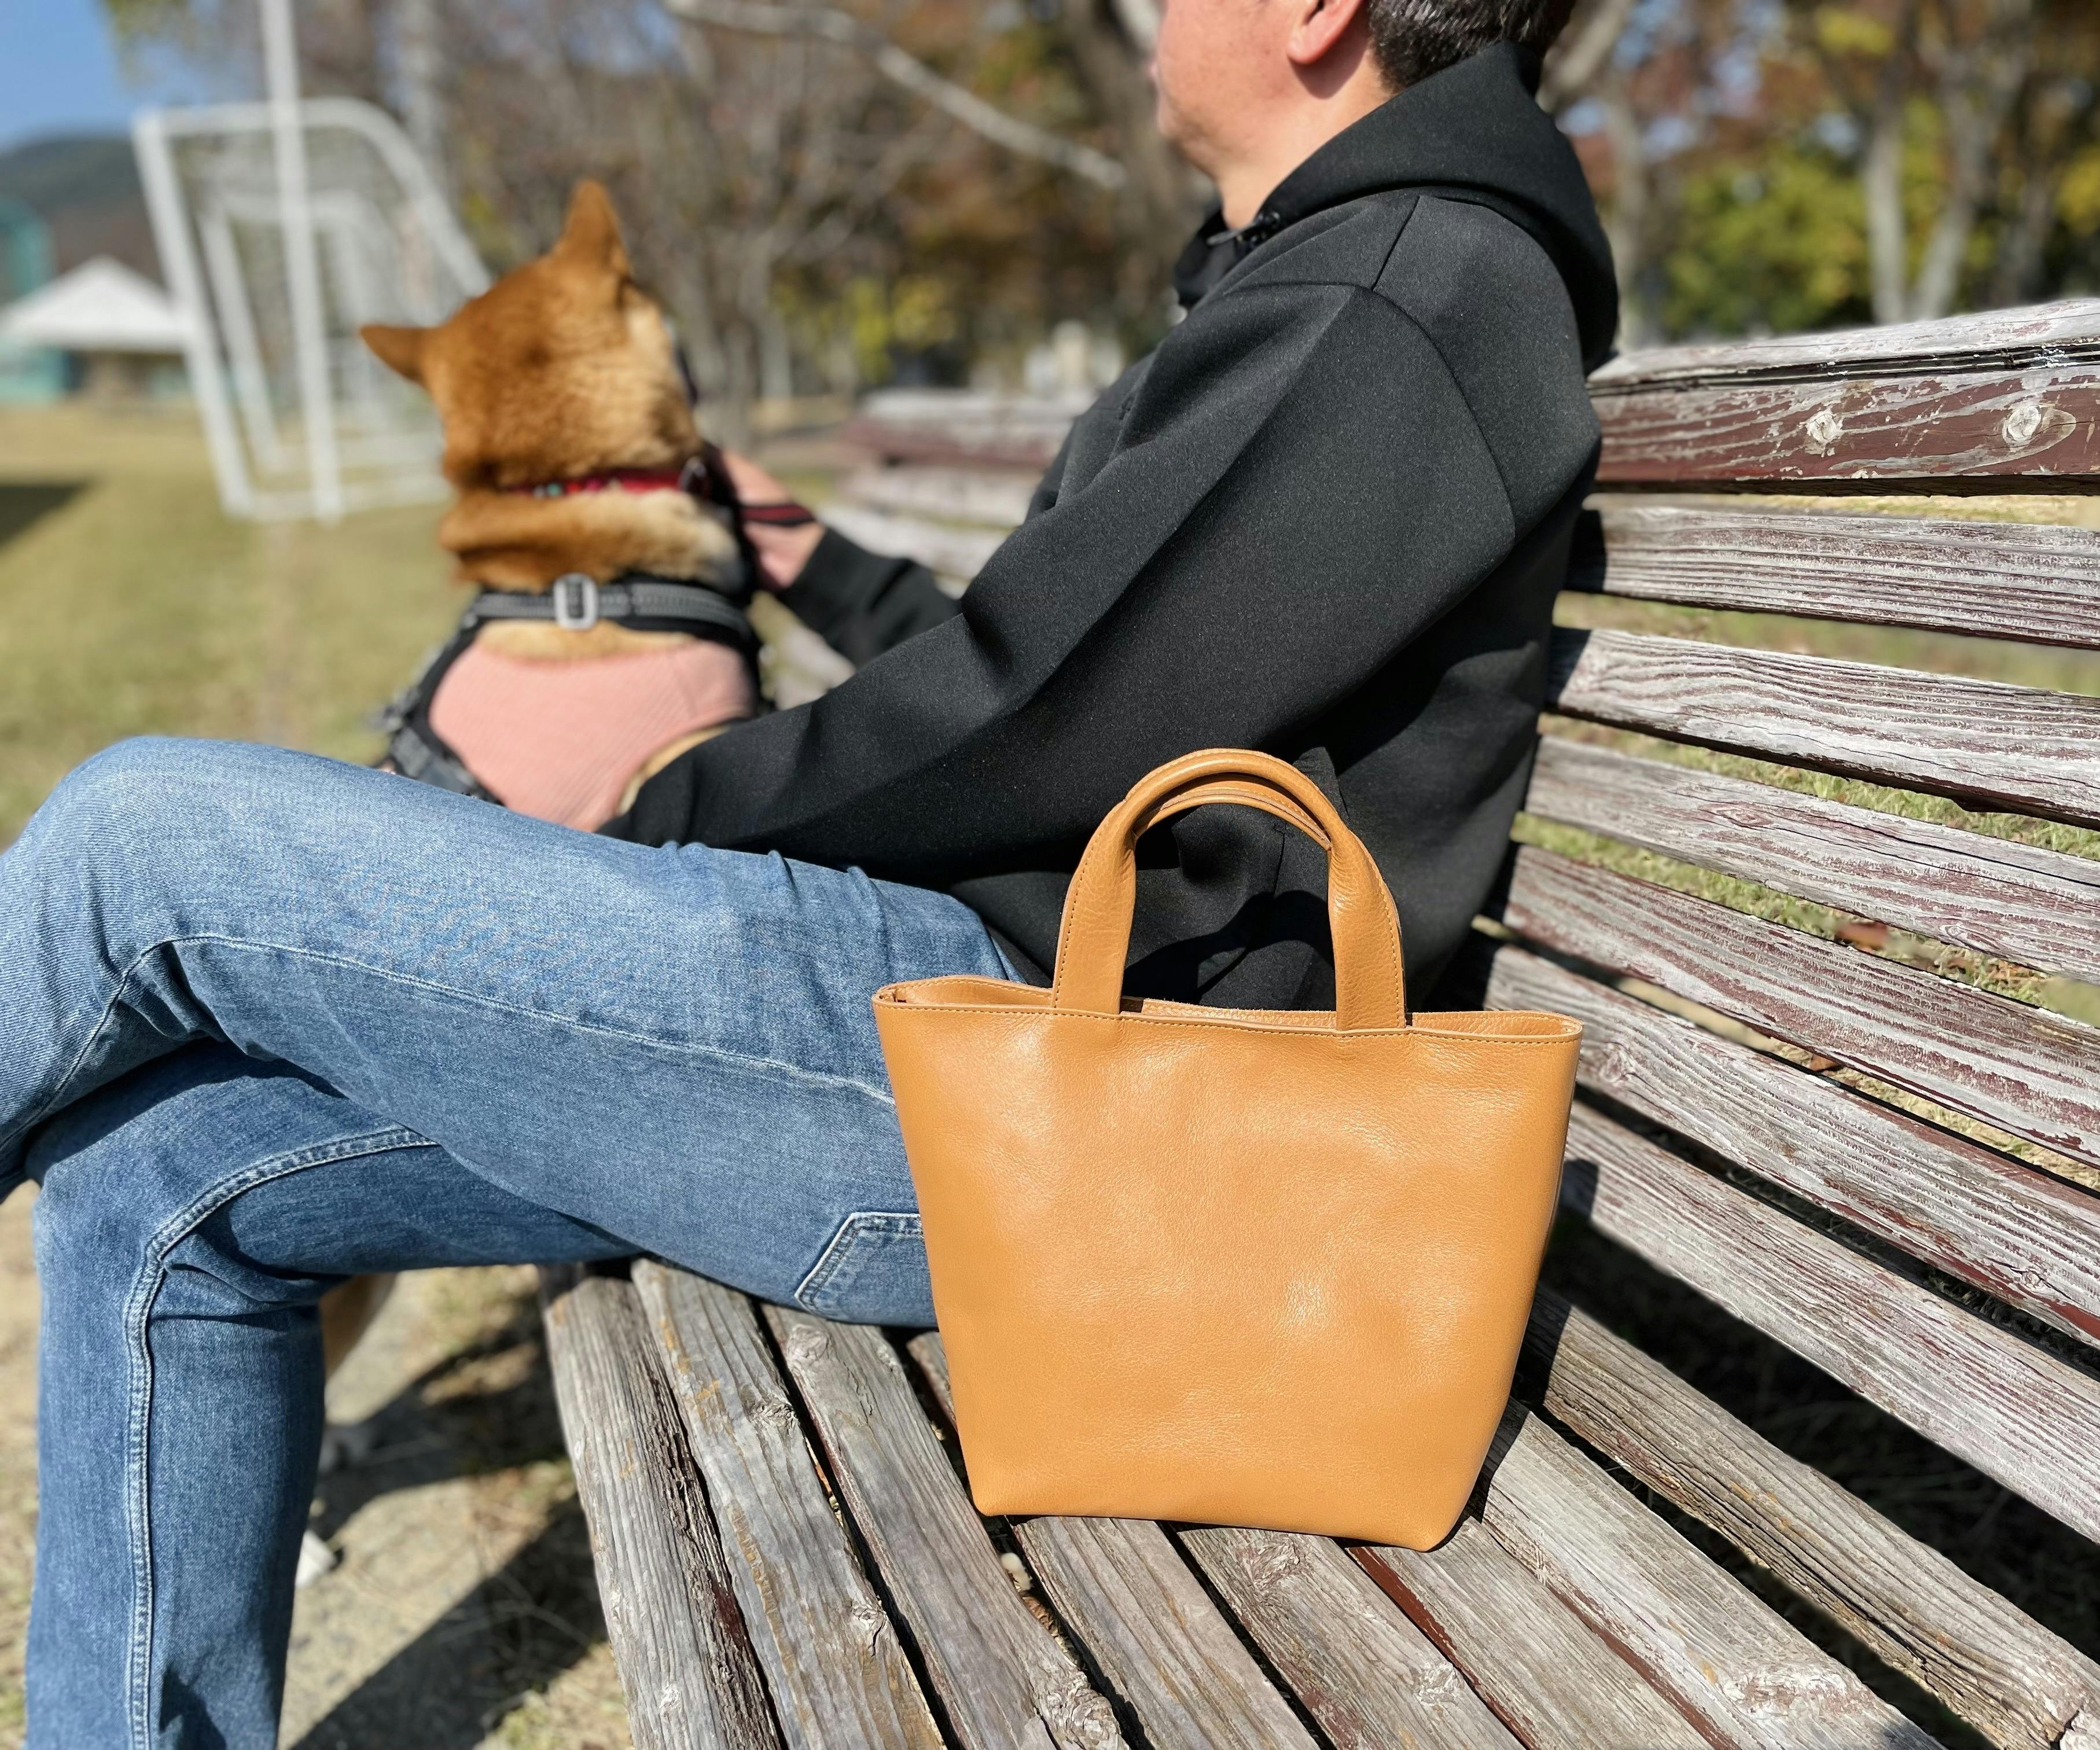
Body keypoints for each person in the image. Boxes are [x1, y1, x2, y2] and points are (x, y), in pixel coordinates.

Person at [1, 0, 1613, 1739]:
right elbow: (1076, 671)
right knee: (164, 1170)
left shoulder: (1400, 293)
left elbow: (1038, 718)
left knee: (142, 834)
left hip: (1047, 1101)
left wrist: (663, 810)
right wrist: (810, 559)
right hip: (984, 1045)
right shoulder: (1337, 282)